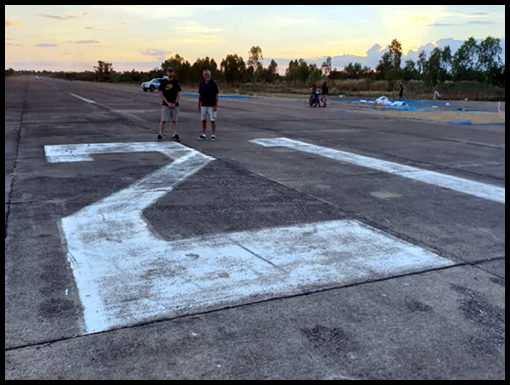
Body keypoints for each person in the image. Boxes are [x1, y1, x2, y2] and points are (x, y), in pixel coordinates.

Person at [158, 67, 182, 142]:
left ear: (173, 73)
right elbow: (161, 93)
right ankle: (160, 134)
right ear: (167, 73)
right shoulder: (163, 82)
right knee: (163, 120)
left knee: (174, 120)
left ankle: (174, 134)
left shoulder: (176, 82)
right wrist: (167, 102)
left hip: (175, 104)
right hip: (166, 104)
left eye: (171, 72)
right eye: (169, 72)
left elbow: (178, 93)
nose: (170, 73)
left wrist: (175, 102)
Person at [198, 69, 219, 141]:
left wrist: (215, 105)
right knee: (203, 119)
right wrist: (199, 105)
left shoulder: (213, 84)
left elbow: (216, 95)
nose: (206, 75)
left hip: (211, 105)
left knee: (212, 120)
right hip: (203, 104)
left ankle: (213, 134)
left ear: (210, 75)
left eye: (207, 74)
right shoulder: (202, 84)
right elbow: (200, 95)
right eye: (205, 74)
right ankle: (203, 134)